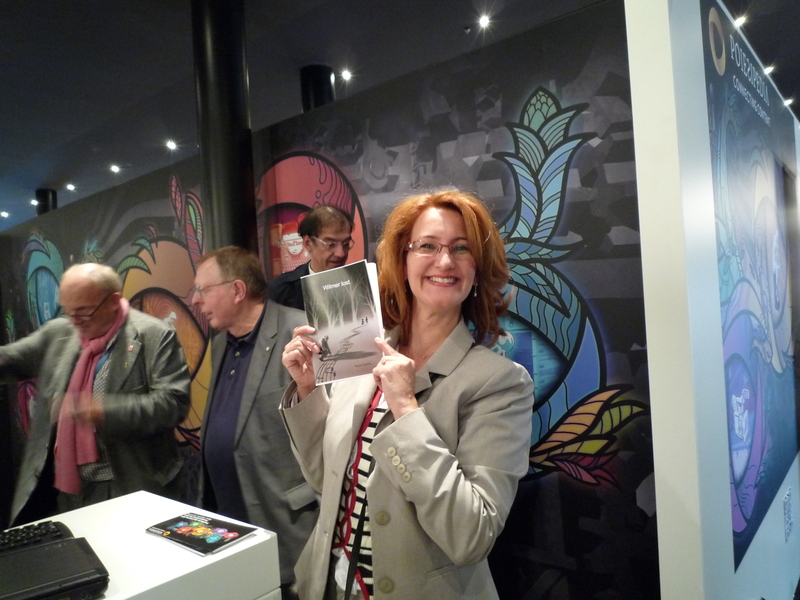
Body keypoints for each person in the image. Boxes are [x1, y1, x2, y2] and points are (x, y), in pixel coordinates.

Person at [281, 190, 535, 599]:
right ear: (402, 260)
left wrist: (405, 408)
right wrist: (309, 389)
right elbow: (325, 480)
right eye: (427, 246)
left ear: (477, 270)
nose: (445, 261)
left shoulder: (500, 383)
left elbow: (471, 536)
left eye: (462, 248)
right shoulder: (362, 348)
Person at [4, 263, 191, 525]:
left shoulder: (153, 335)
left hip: (134, 485)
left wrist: (100, 410)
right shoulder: (61, 333)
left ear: (113, 301)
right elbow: (9, 359)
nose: (74, 321)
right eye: (68, 311)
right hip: (72, 490)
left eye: (83, 312)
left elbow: (173, 403)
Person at [191, 246, 318, 600]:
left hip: (288, 525)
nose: (196, 300)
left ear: (237, 290)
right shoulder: (220, 343)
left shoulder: (300, 333)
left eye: (203, 290)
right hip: (229, 522)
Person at [268, 205, 355, 310]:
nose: (341, 253)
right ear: (308, 243)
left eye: (346, 243)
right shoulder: (279, 290)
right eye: (330, 244)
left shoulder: (362, 283)